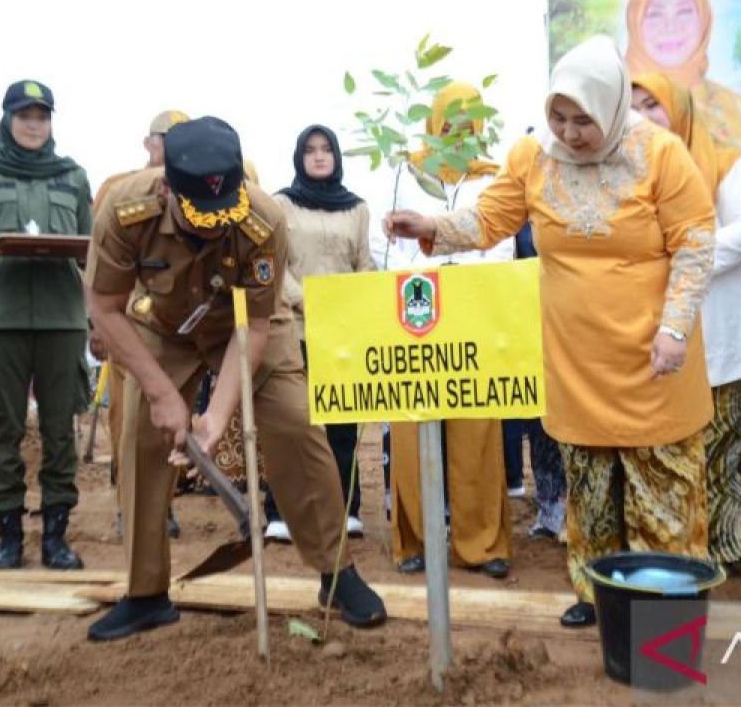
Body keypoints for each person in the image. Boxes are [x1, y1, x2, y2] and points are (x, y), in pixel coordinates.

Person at [384, 37, 716, 627]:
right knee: (589, 485)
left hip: (652, 356)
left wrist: (674, 327)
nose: (569, 132)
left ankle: (665, 614)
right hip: (577, 359)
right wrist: (432, 222)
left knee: (661, 489)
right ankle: (597, 595)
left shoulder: (660, 155)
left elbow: (695, 239)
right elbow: (490, 219)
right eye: (557, 117)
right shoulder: (534, 159)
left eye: (583, 119)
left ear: (613, 107)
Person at [84, 116, 385, 641]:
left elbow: (258, 327)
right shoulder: (124, 209)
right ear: (167, 187)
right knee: (139, 437)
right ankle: (146, 593)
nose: (212, 227)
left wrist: (216, 416)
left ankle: (337, 574)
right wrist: (160, 394)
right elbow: (106, 308)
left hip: (246, 324)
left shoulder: (263, 219)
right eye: (199, 216)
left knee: (295, 424)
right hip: (162, 325)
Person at [0, 79, 92, 571]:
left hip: (61, 319)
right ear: (8, 119)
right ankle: (8, 538)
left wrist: (98, 318)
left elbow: (93, 251)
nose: (34, 124)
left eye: (42, 115)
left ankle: (56, 537)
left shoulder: (73, 176)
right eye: (25, 115)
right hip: (1, 319)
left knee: (61, 432)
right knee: (4, 429)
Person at [381, 82, 515, 579]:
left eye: (468, 125)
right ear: (434, 124)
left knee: (477, 432)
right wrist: (435, 269)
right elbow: (390, 248)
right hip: (414, 316)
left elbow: (499, 245)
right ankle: (413, 539)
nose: (458, 133)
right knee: (413, 429)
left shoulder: (493, 180)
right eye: (449, 123)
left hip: (475, 318)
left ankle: (483, 544)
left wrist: (455, 267)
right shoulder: (405, 174)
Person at [631, 72, 741, 570]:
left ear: (678, 111)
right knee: (669, 445)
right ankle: (680, 549)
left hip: (721, 326)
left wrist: (687, 256)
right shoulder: (620, 175)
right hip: (657, 333)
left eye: (653, 106)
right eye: (632, 106)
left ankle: (728, 546)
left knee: (724, 442)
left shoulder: (722, 161)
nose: (642, 118)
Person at [266, 124, 376, 541]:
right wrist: (309, 301)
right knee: (294, 421)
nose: (318, 156)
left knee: (341, 423)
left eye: (326, 149)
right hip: (294, 328)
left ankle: (346, 509)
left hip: (342, 331)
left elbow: (363, 263)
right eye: (310, 150)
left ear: (336, 157)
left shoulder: (358, 208)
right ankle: (281, 513)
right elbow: (274, 265)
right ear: (299, 157)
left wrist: (358, 301)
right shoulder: (281, 205)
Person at [89, 109, 190, 541]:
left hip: (178, 326)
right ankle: (127, 507)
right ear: (149, 143)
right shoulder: (116, 189)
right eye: (166, 138)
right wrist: (95, 327)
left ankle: (164, 505)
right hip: (126, 321)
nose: (172, 146)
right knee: (127, 421)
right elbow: (94, 264)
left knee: (173, 419)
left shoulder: (196, 189)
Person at [624, 0, 741, 164]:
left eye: (684, 12)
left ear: (704, 20)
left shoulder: (737, 107)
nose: (670, 26)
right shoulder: (617, 111)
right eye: (654, 14)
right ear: (634, 23)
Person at [502, 222, 568, 541]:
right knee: (538, 420)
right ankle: (550, 508)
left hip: (573, 322)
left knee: (574, 419)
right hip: (527, 325)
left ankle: (577, 510)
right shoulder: (514, 211)